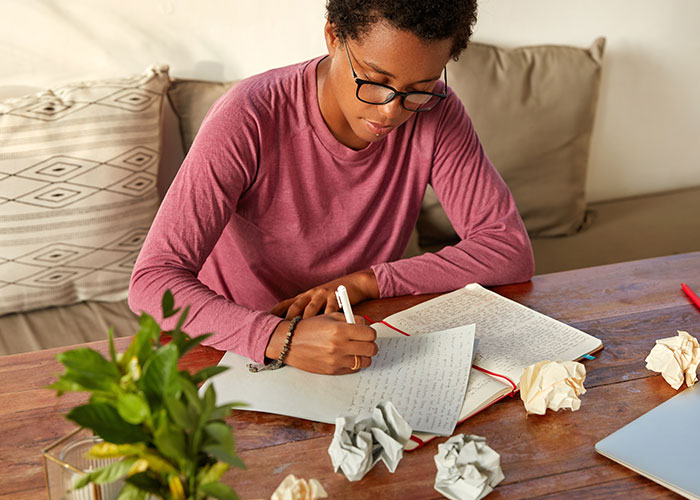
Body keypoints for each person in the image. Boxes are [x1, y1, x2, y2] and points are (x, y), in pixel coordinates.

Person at [129, 0, 534, 375]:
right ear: (333, 36)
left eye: (419, 88)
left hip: (357, 342)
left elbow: (508, 249)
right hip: (237, 347)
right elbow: (152, 281)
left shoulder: (438, 113)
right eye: (375, 79)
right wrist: (277, 338)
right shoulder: (248, 117)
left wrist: (366, 281)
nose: (391, 111)